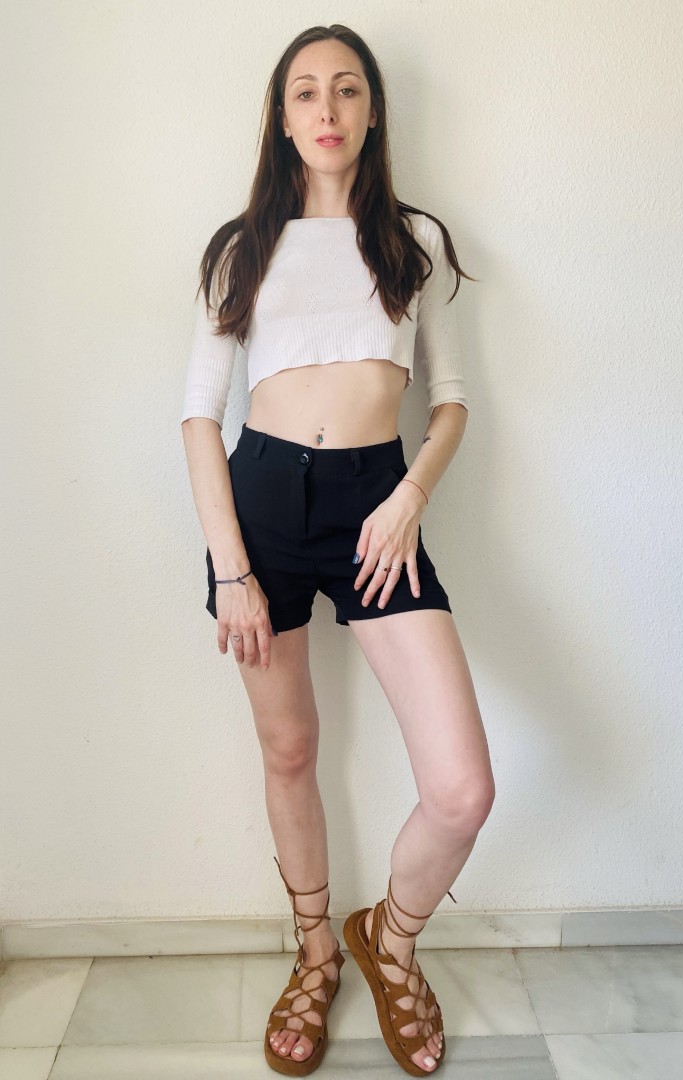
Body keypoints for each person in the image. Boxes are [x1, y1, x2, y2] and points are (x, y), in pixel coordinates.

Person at [180, 23, 495, 1077]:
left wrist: (408, 496)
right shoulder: (241, 246)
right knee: (290, 749)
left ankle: (387, 941)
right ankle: (315, 949)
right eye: (306, 91)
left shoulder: (413, 240)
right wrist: (231, 567)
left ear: (371, 112)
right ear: (282, 118)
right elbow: (198, 416)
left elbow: (451, 401)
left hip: (377, 504)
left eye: (347, 89)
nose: (327, 108)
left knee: (462, 788)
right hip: (262, 507)